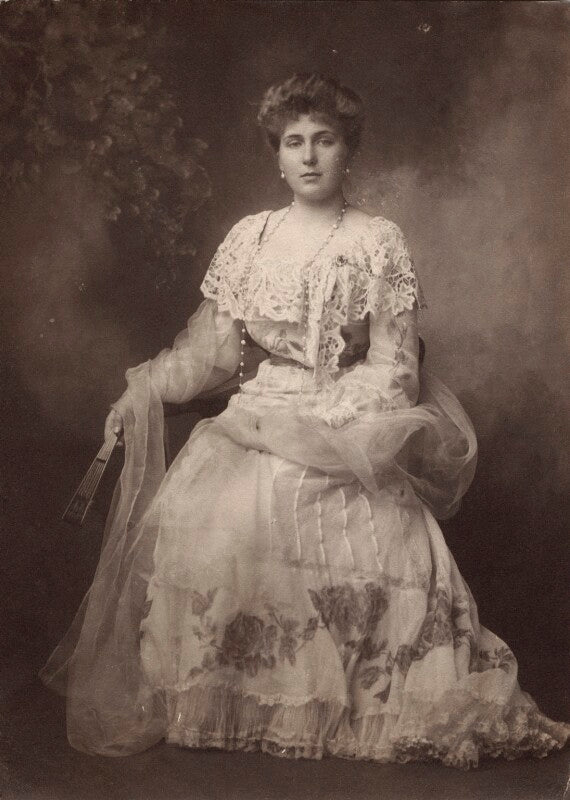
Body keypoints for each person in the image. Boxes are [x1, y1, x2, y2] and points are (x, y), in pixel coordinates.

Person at [40, 73, 569, 768]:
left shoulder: (378, 241)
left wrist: (333, 425)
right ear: (278, 155)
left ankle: (349, 699)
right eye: (294, 142)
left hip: (351, 418)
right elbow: (211, 353)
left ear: (349, 150)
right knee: (214, 514)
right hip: (261, 412)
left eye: (325, 140)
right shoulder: (249, 238)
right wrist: (144, 390)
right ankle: (227, 699)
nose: (310, 156)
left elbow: (396, 365)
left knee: (334, 512)